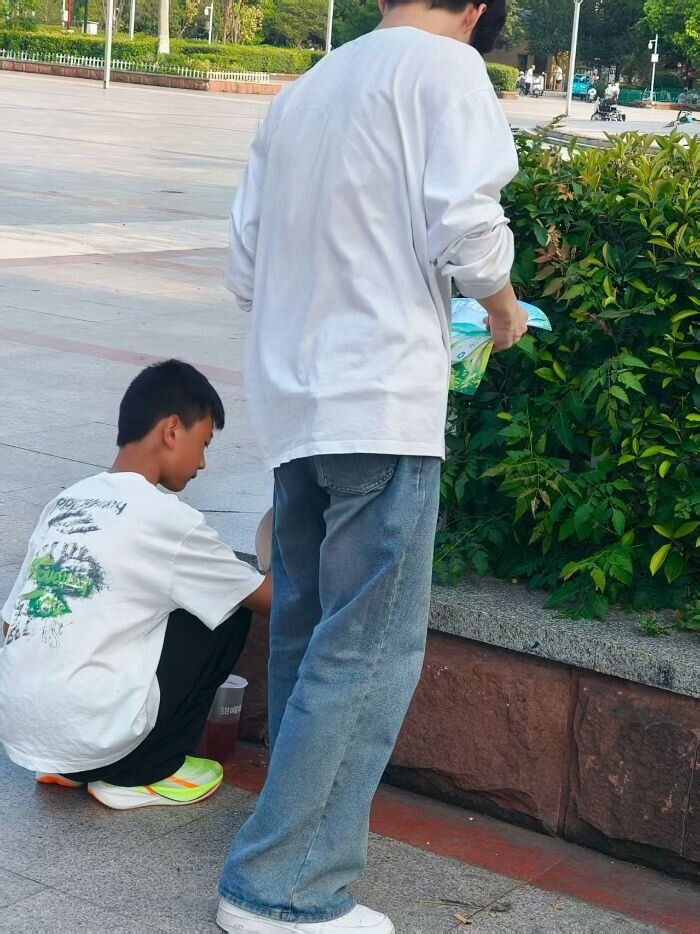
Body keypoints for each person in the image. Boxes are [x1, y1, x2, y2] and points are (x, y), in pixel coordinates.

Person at [220, 0, 527, 931]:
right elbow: (466, 230)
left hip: (294, 407)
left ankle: (278, 858)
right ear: (476, 11)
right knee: (367, 651)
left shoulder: (305, 89)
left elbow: (245, 267)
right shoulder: (447, 68)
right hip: (380, 404)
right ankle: (283, 890)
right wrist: (503, 310)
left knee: (307, 635)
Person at [0, 360, 271, 810]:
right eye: (203, 443)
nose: (203, 462)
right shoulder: (165, 517)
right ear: (172, 429)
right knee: (228, 607)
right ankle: (145, 771)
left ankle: (71, 765)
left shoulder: (66, 500)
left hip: (22, 733)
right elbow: (270, 599)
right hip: (94, 739)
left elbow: (11, 624)